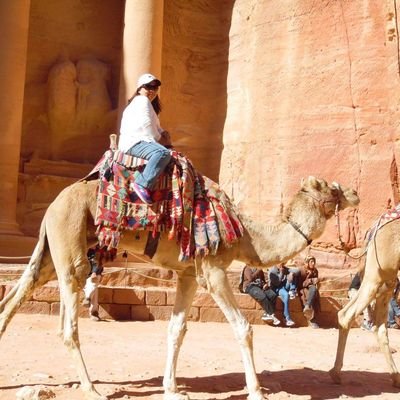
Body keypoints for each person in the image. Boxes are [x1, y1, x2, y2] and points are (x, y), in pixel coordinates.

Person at [118, 73, 172, 205]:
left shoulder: (144, 104)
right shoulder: (142, 100)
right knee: (162, 153)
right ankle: (142, 184)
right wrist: (160, 140)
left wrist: (164, 133)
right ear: (140, 88)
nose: (152, 91)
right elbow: (146, 125)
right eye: (148, 87)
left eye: (155, 88)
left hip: (138, 141)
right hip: (134, 143)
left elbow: (155, 127)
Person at [83, 246, 104, 321]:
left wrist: (94, 272)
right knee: (93, 290)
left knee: (93, 284)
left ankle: (87, 298)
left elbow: (97, 261)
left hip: (95, 273)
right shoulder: (83, 250)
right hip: (85, 273)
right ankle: (94, 312)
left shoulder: (99, 250)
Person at [298, 255, 320, 329]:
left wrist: (316, 282)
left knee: (315, 294)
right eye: (311, 261)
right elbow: (299, 284)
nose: (313, 263)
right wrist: (310, 280)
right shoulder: (301, 270)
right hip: (303, 290)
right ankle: (311, 319)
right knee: (311, 292)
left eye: (314, 261)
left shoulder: (315, 271)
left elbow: (316, 283)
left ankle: (313, 317)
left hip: (312, 289)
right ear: (307, 262)